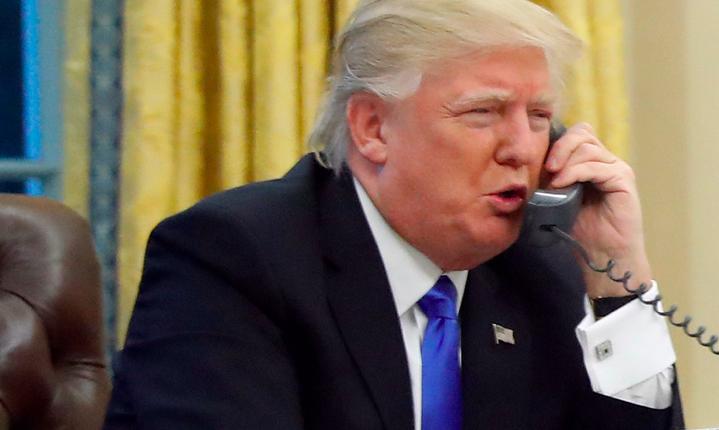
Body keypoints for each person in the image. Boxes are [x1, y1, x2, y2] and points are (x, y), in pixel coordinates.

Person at [104, 1, 683, 429]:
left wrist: (618, 282)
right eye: (483, 112)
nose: (523, 149)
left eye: (538, 116)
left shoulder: (542, 268)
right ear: (373, 128)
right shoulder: (235, 257)